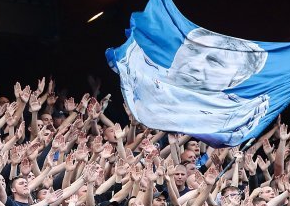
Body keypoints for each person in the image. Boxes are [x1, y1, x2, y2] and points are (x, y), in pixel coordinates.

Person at [114, 28, 269, 145]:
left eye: (214, 61)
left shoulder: (236, 115)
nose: (194, 64)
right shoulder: (138, 67)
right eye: (192, 50)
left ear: (236, 79)